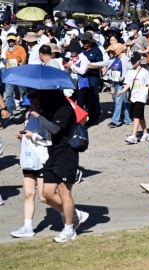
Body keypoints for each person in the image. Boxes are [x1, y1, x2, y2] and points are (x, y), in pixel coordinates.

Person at [30, 89, 88, 242]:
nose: (33, 102)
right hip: (53, 155)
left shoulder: (64, 108)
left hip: (67, 154)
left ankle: (69, 229)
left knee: (64, 192)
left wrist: (38, 116)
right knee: (46, 194)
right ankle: (75, 214)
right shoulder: (48, 109)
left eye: (35, 97)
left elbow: (55, 129)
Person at [10, 109, 49, 238]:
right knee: (28, 194)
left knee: (44, 197)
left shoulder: (46, 114)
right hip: (28, 160)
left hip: (42, 159)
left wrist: (32, 136)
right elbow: (28, 136)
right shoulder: (29, 114)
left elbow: (49, 140)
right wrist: (22, 137)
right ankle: (28, 227)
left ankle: (72, 213)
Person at [118, 52, 149, 144]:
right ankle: (146, 133)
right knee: (140, 116)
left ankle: (134, 136)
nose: (133, 63)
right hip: (133, 96)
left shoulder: (144, 72)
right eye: (132, 61)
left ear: (139, 61)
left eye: (134, 61)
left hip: (141, 96)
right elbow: (128, 84)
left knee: (136, 116)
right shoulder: (130, 72)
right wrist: (122, 91)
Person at [106, 44, 132, 128]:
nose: (111, 52)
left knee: (118, 102)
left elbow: (132, 69)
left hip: (122, 85)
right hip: (116, 84)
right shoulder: (114, 59)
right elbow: (103, 63)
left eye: (113, 51)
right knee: (123, 102)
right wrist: (92, 64)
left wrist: (124, 77)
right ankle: (128, 119)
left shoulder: (126, 59)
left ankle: (114, 121)